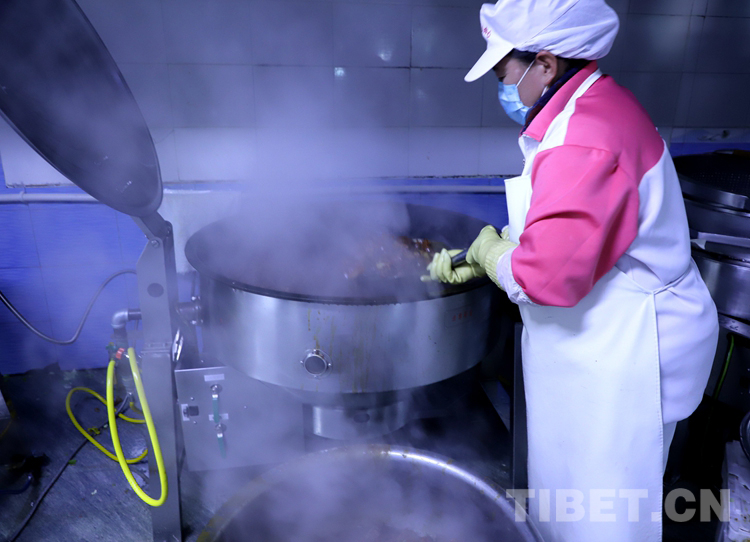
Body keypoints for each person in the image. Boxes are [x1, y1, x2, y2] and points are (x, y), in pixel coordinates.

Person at [426, 1, 719, 541]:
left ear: (544, 64)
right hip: (604, 346)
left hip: (631, 353)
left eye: (502, 72)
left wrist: (494, 257)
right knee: (574, 504)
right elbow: (580, 227)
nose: (501, 85)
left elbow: (545, 278)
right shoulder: (589, 107)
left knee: (604, 516)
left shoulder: (585, 136)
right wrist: (495, 252)